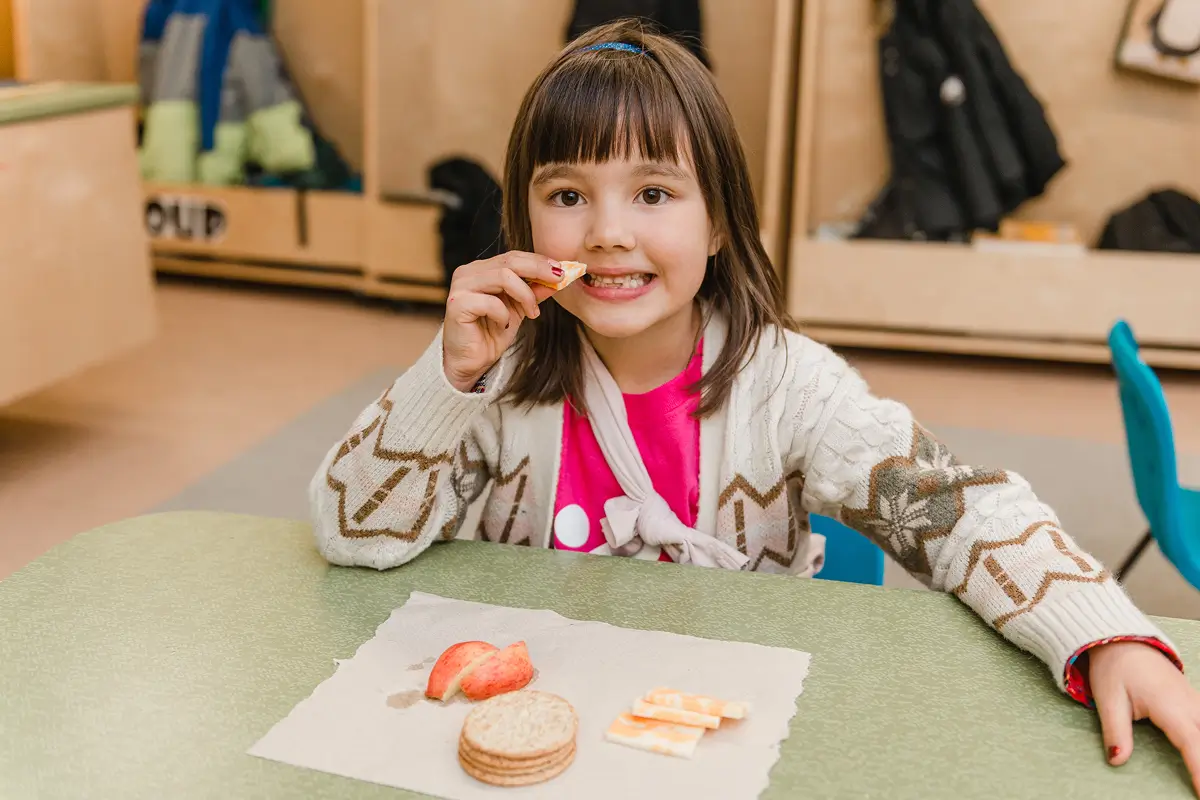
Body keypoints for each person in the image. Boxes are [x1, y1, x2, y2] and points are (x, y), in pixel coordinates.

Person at [309, 19, 1200, 790]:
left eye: (654, 194)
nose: (609, 231)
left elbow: (957, 510)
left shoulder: (790, 386)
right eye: (568, 195)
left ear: (721, 222)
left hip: (717, 743)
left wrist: (1105, 635)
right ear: (524, 221)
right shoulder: (493, 383)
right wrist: (446, 379)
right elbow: (355, 537)